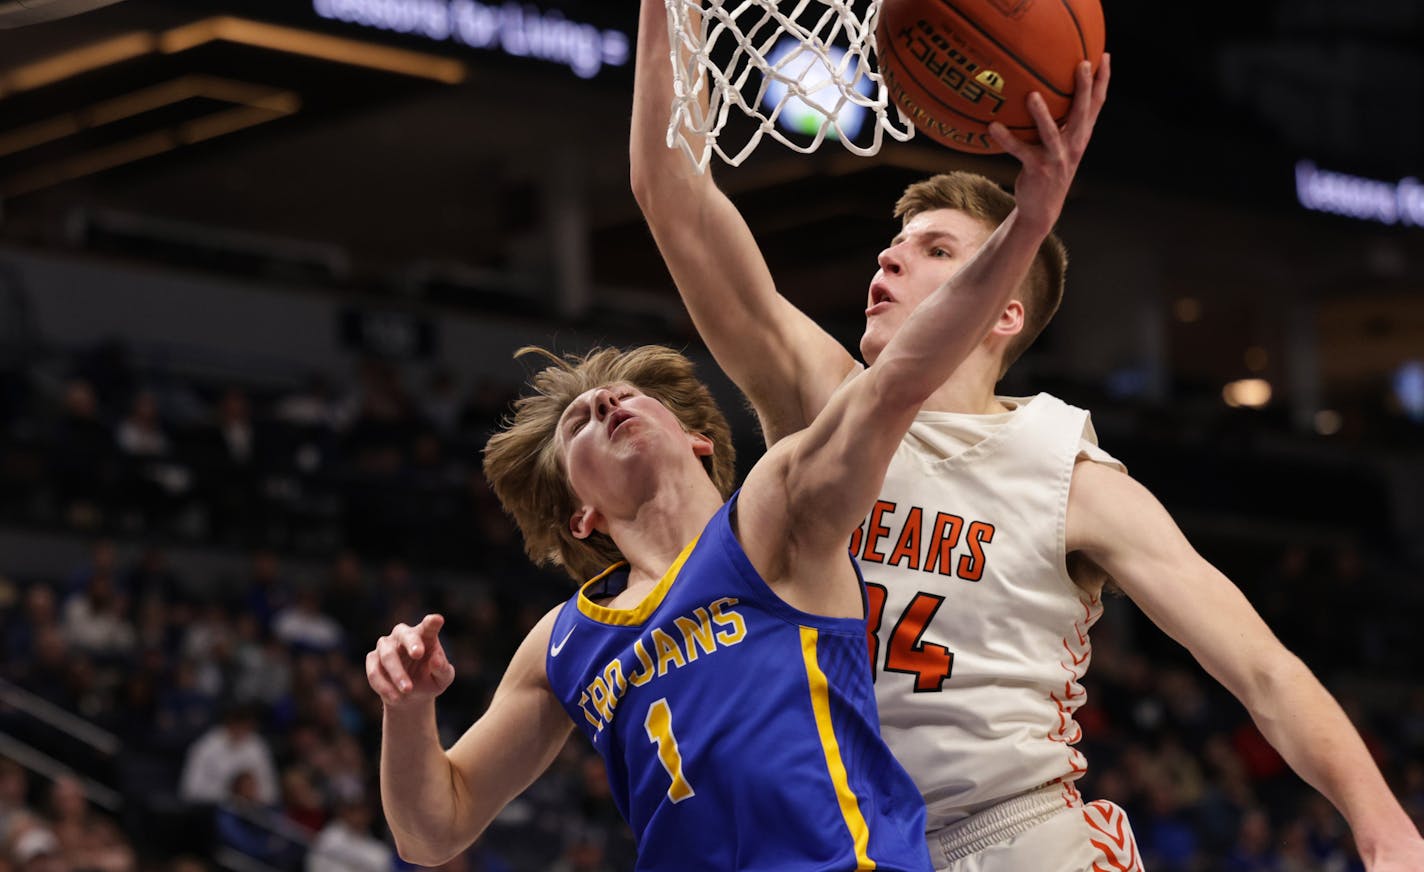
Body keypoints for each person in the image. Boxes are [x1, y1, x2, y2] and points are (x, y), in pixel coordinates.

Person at [628, 2, 1424, 871]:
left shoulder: (1071, 476)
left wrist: (1382, 825)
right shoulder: (826, 405)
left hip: (1015, 835)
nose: (887, 260)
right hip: (845, 845)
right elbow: (673, 197)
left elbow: (1261, 670)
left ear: (1005, 307)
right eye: (893, 246)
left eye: (933, 249)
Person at [364, 123, 1071, 864]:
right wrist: (407, 712)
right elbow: (432, 829)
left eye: (625, 396)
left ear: (700, 437)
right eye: (580, 421)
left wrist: (1028, 224)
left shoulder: (773, 515)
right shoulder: (562, 644)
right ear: (581, 512)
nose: (605, 405)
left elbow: (899, 382)